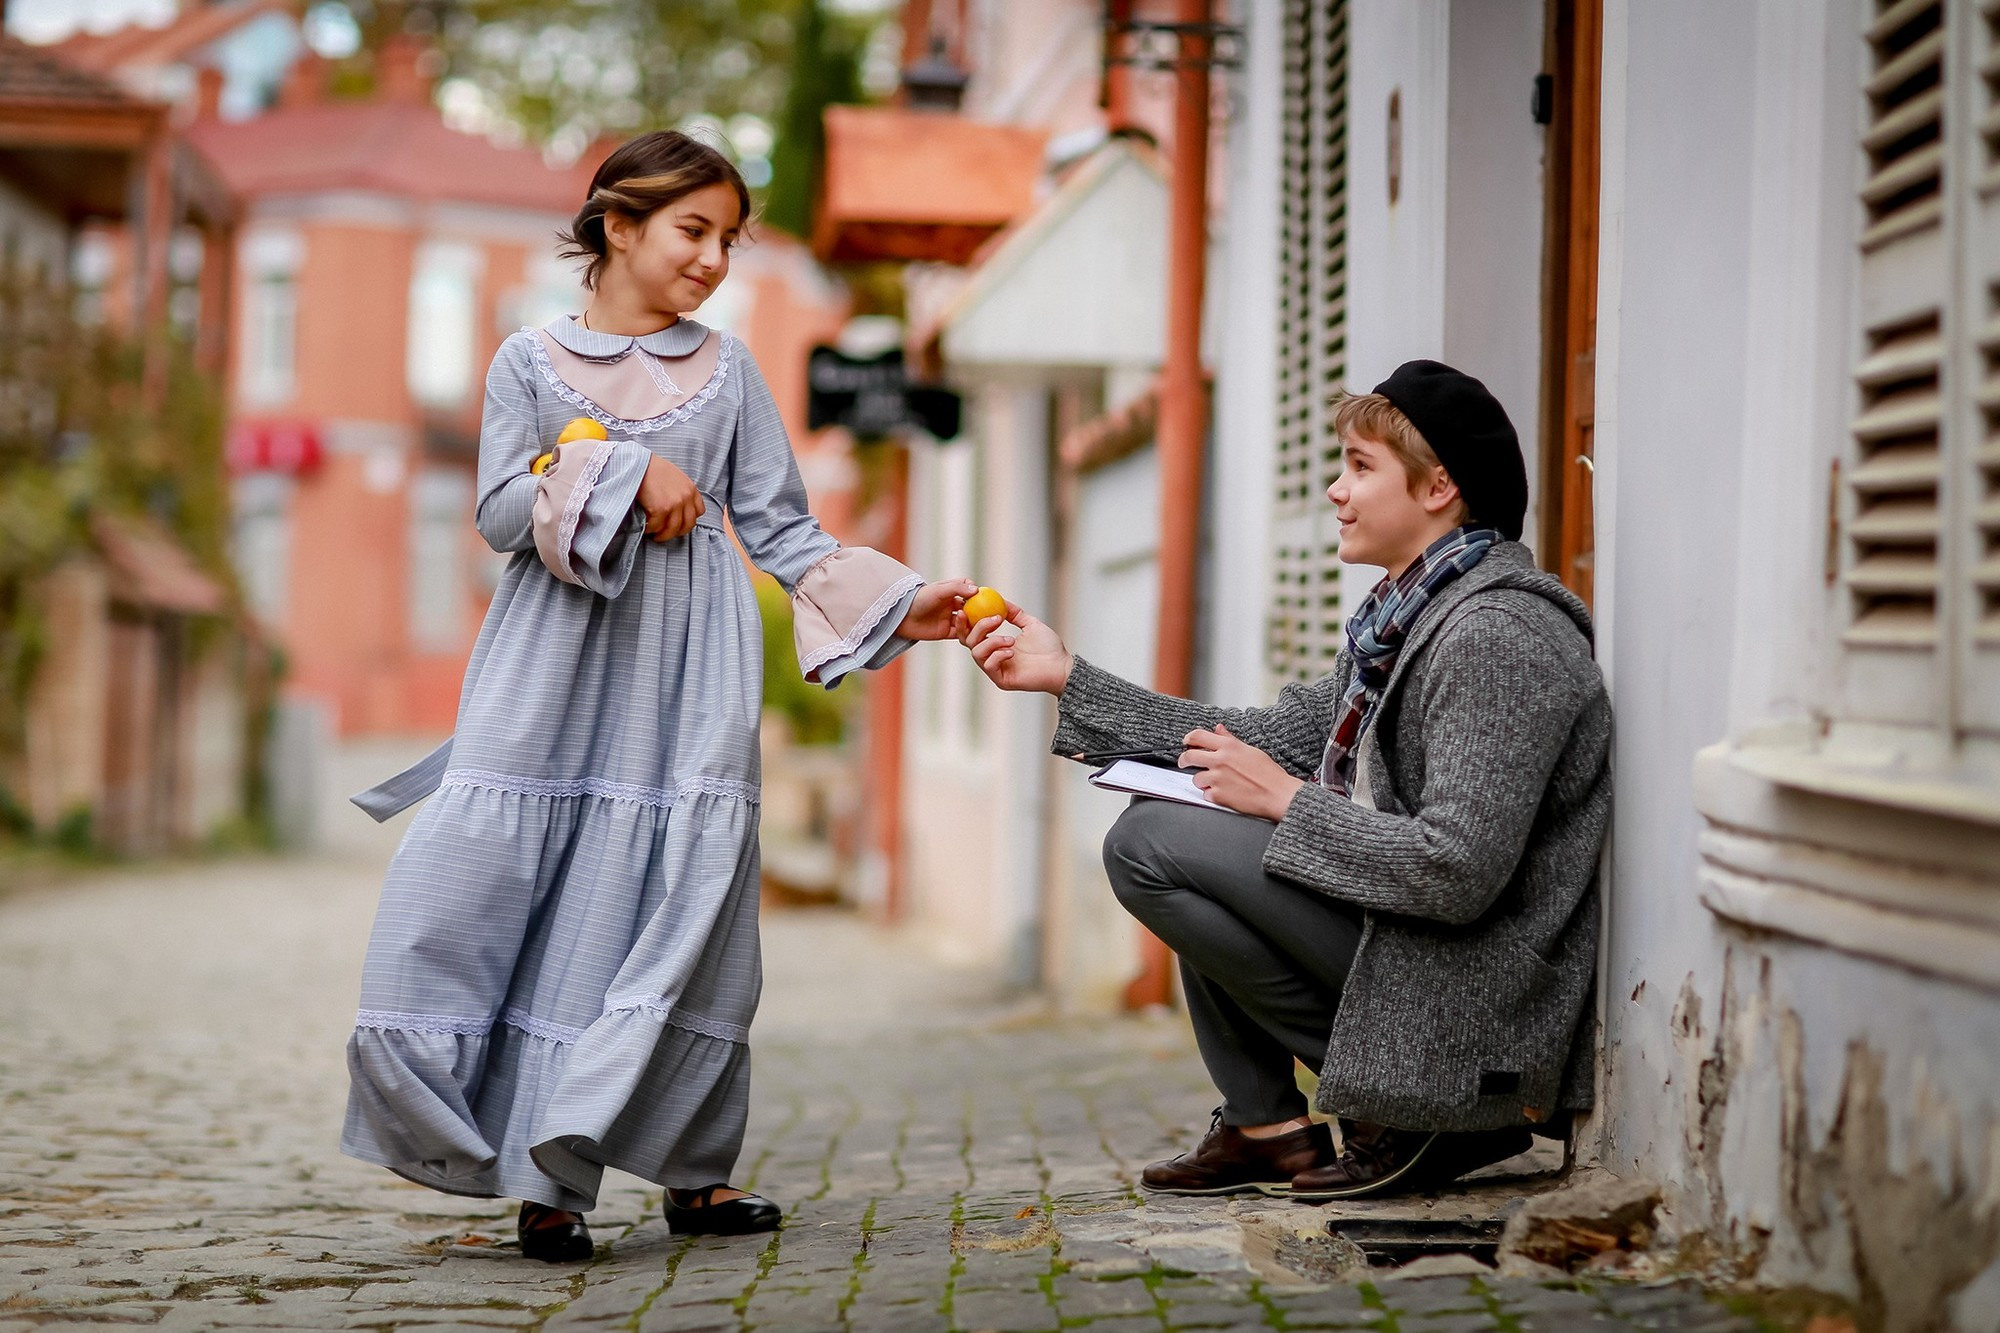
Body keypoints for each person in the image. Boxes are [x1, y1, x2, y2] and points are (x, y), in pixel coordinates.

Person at [341, 131, 974, 1260]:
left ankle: (692, 1171)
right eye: (694, 230)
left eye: (728, 238)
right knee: (522, 886)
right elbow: (494, 514)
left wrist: (906, 604)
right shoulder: (525, 363)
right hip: (551, 666)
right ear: (617, 224)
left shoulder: (728, 369)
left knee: (688, 891)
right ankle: (547, 1176)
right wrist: (621, 470)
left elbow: (780, 526)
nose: (713, 258)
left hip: (688, 667)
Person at [962, 361, 1610, 1200]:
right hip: (1425, 957)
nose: (1336, 491)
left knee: (1155, 843)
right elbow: (1268, 737)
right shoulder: (1405, 618)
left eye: (1360, 466)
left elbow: (1459, 869)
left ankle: (1430, 1110)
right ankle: (1266, 1126)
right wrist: (1065, 676)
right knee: (1170, 819)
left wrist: (1283, 798)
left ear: (1439, 486)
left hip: (1476, 1008)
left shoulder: (1496, 633)